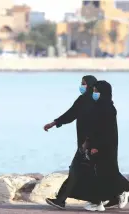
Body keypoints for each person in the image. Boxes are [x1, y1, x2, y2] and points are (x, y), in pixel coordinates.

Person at [44, 75, 97, 210]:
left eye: (83, 84)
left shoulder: (96, 102)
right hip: (85, 144)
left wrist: (88, 142)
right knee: (83, 171)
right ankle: (61, 199)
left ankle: (61, 199)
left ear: (90, 85)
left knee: (76, 170)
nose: (81, 86)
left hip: (89, 144)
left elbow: (98, 124)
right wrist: (54, 123)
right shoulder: (83, 100)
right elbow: (71, 114)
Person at [83, 80, 129, 212]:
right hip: (103, 144)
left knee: (104, 171)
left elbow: (104, 130)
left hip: (104, 145)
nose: (94, 94)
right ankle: (111, 196)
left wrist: (96, 146)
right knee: (106, 170)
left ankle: (100, 200)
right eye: (94, 91)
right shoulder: (101, 106)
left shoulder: (106, 108)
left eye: (96, 91)